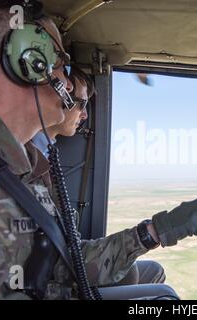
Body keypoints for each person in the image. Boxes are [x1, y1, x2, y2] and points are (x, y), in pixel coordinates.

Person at [0, 1, 197, 300]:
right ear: (26, 62)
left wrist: (158, 230)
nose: (67, 83)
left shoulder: (11, 161)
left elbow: (67, 264)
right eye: (59, 64)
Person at [30, 64, 167, 287]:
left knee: (152, 271)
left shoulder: (46, 154)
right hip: (55, 282)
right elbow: (67, 264)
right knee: (163, 293)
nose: (84, 114)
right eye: (81, 104)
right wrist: (153, 232)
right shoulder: (28, 162)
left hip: (63, 267)